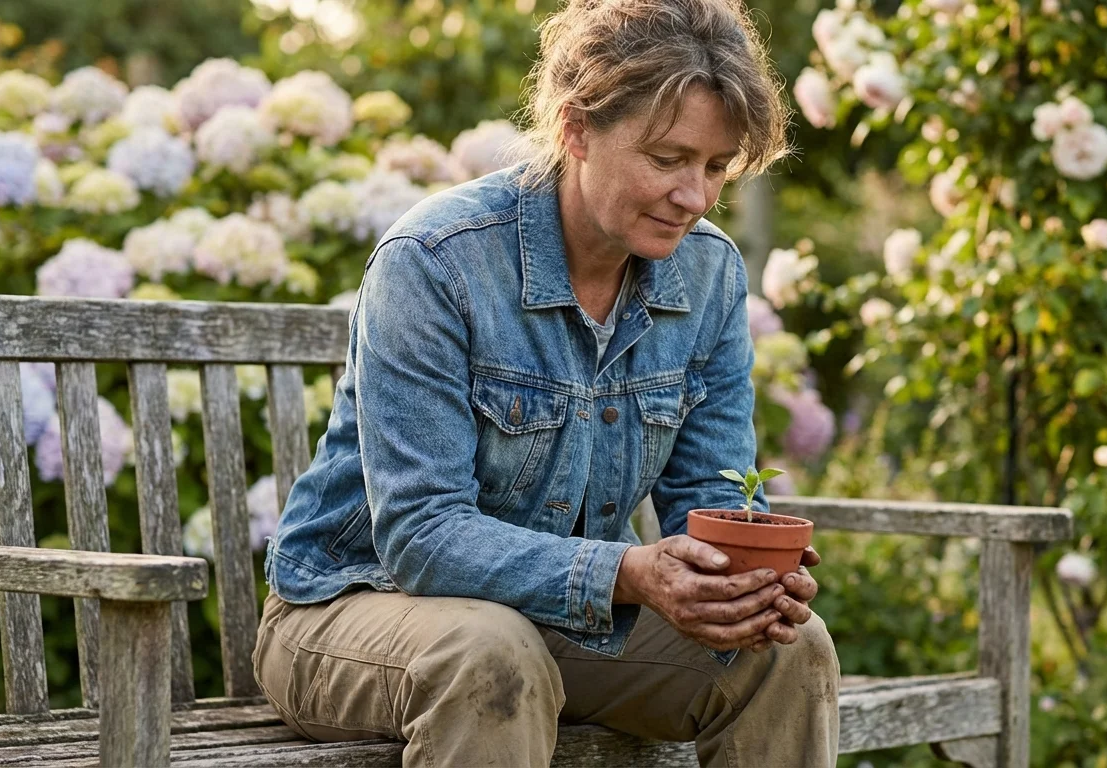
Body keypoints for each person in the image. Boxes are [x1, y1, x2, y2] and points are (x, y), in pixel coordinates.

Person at [253, 0, 839, 764]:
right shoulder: (436, 261)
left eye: (715, 166)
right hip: (352, 611)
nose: (695, 197)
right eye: (667, 159)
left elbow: (714, 495)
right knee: (491, 654)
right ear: (575, 129)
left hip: (551, 628)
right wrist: (629, 570)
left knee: (789, 651)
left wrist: (746, 582)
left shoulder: (708, 272)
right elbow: (421, 535)